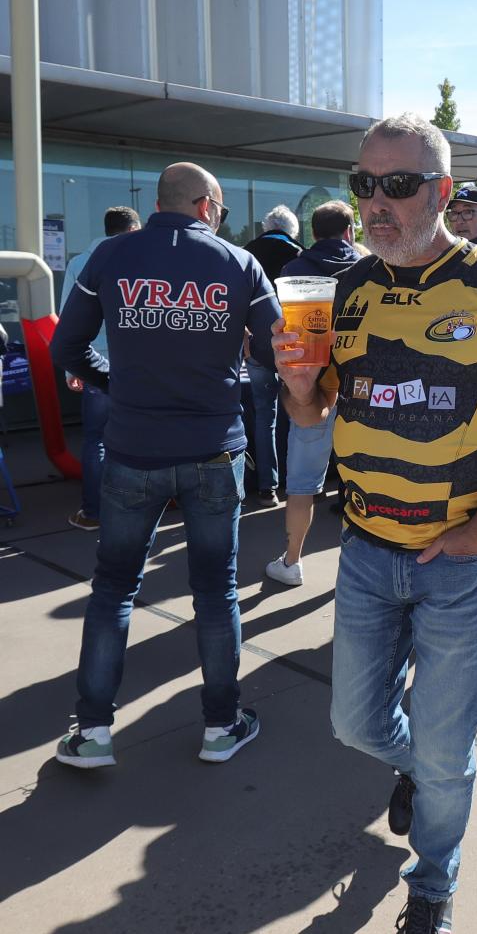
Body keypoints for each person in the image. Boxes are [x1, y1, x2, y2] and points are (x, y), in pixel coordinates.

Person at [275, 114, 477, 933]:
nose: (376, 201)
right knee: (355, 723)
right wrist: (295, 381)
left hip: (458, 561)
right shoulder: (348, 291)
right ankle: (428, 772)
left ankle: (433, 883)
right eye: (364, 183)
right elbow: (316, 410)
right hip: (367, 547)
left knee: (446, 749)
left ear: (440, 193)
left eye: (397, 184)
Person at [51, 163, 281, 770]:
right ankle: (220, 726)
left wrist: (115, 383)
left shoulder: (109, 257)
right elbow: (281, 350)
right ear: (206, 205)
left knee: (114, 590)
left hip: (132, 451)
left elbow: (64, 347)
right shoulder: (239, 264)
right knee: (215, 592)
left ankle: (93, 732)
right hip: (213, 451)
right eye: (223, 210)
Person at [263, 200, 360, 586]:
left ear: (313, 233)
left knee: (302, 483)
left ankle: (291, 561)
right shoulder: (369, 267)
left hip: (310, 385)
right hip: (362, 389)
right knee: (363, 483)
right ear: (350, 231)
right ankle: (359, 568)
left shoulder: (294, 270)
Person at [61, 206, 141, 532]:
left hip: (95, 363)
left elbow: (69, 321)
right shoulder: (143, 262)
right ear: (133, 230)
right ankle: (136, 509)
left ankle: (93, 512)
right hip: (138, 365)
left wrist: (72, 370)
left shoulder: (79, 263)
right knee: (139, 437)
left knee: (96, 438)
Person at [241, 204, 304, 506]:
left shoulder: (246, 253)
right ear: (292, 230)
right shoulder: (300, 254)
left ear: (266, 227)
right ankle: (299, 484)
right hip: (293, 345)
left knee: (265, 417)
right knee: (299, 413)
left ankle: (268, 487)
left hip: (258, 348)